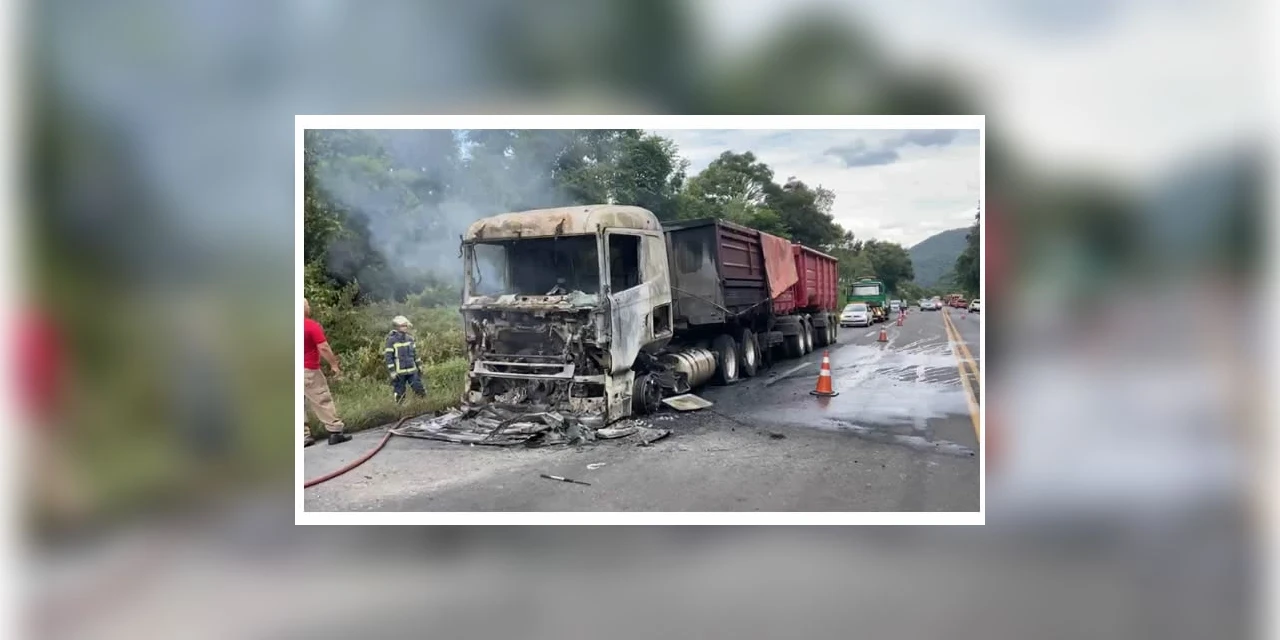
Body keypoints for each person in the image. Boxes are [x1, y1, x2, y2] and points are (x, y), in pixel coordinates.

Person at [303, 298, 351, 446]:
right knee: (321, 398)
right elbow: (323, 347)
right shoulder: (310, 325)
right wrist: (334, 364)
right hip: (308, 370)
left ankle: (303, 436)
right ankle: (335, 431)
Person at [385, 315, 426, 403]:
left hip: (412, 370)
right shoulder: (391, 340)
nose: (405, 327)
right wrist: (392, 371)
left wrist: (420, 366)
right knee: (399, 393)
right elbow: (389, 357)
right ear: (397, 327)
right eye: (403, 325)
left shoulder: (410, 339)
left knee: (419, 388)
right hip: (399, 373)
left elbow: (415, 354)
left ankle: (424, 404)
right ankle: (399, 409)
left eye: (406, 325)